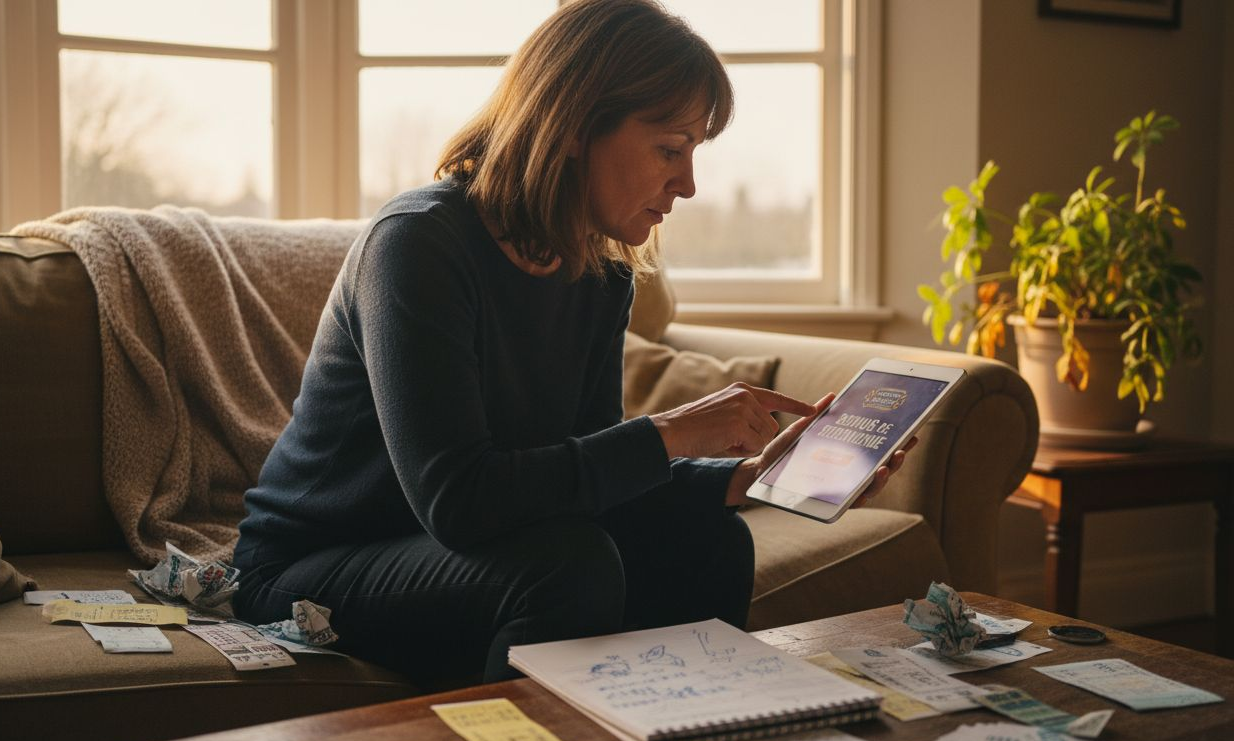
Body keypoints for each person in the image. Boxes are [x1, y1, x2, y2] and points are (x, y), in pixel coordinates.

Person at [232, 0, 910, 685]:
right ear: (575, 128)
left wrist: (753, 478)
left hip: (448, 554)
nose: (689, 184)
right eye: (670, 149)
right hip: (309, 568)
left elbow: (587, 480)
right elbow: (458, 500)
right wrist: (670, 433)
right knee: (566, 565)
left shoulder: (601, 272)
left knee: (712, 538)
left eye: (694, 153)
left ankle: (685, 738)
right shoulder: (417, 246)